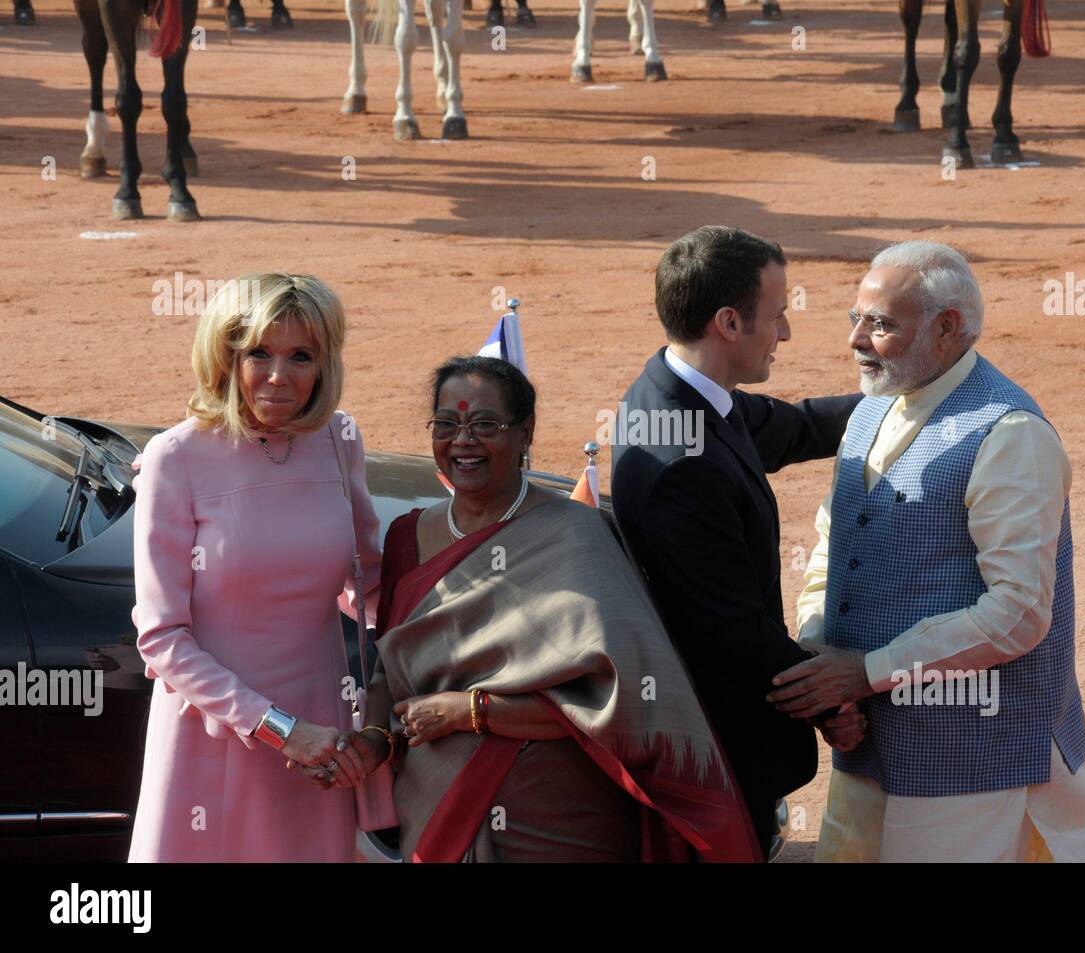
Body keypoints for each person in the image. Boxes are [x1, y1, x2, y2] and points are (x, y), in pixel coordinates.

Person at [325, 356, 758, 863]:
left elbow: (627, 706)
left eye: (485, 424)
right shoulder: (407, 537)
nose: (462, 440)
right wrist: (374, 741)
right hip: (434, 804)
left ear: (525, 432)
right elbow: (389, 671)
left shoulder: (577, 537)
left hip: (556, 815)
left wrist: (471, 712)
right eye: (447, 424)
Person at [770, 241, 1085, 862]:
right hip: (873, 752)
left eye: (880, 325)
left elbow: (1017, 613)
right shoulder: (870, 411)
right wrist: (826, 658)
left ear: (948, 328)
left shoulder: (1012, 436)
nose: (855, 339)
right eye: (856, 318)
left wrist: (866, 672)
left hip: (977, 765)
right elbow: (834, 547)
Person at [611, 225, 864, 855]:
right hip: (713, 747)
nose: (784, 332)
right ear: (728, 322)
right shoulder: (681, 458)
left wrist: (908, 397)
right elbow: (731, 628)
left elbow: (797, 425)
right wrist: (828, 698)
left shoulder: (677, 393)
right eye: (776, 315)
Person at [129, 273, 381, 862]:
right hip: (216, 733)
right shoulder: (176, 458)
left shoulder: (339, 438)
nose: (278, 375)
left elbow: (367, 583)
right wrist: (280, 728)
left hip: (322, 739)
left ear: (325, 365)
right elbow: (162, 638)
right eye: (258, 353)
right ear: (225, 354)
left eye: (301, 356)